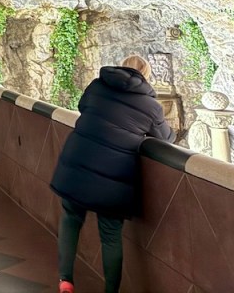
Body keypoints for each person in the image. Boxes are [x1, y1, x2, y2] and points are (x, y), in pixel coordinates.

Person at [51, 55, 175, 293]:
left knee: (70, 218)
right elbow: (165, 138)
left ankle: (65, 280)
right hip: (114, 173)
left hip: (77, 160)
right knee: (110, 235)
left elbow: (82, 106)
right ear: (146, 76)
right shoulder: (150, 105)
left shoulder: (97, 86)